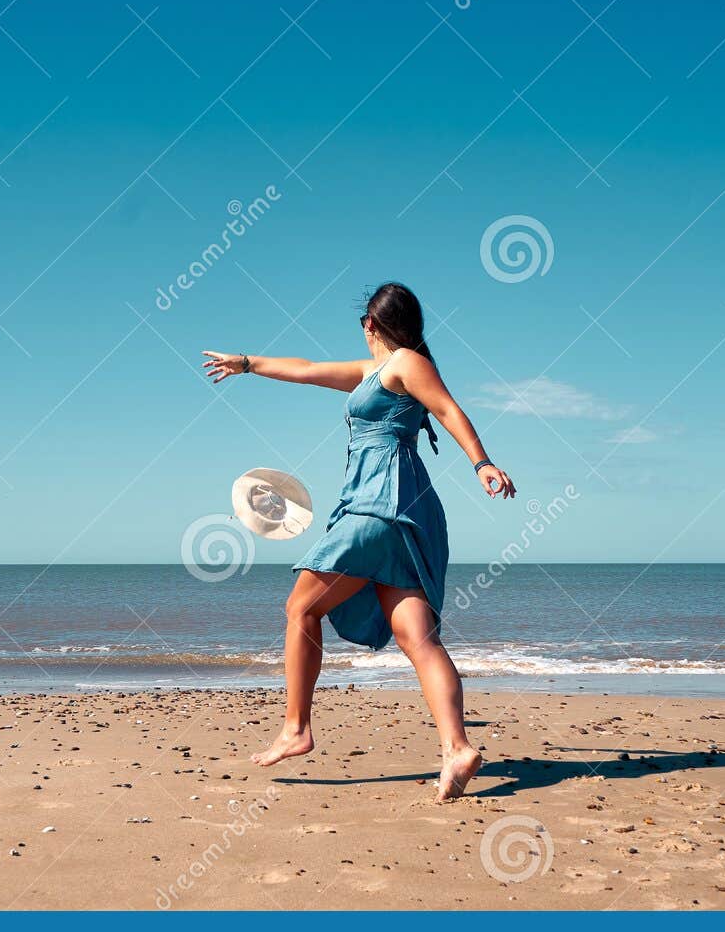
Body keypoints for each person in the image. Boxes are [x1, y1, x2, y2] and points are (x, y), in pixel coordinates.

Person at [203, 281, 516, 801]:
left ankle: (296, 728)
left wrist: (482, 463)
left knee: (301, 607)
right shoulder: (373, 372)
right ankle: (457, 748)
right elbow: (305, 370)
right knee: (417, 638)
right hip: (398, 507)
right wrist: (247, 363)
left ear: (371, 324)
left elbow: (448, 411)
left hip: (382, 503)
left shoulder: (405, 364)